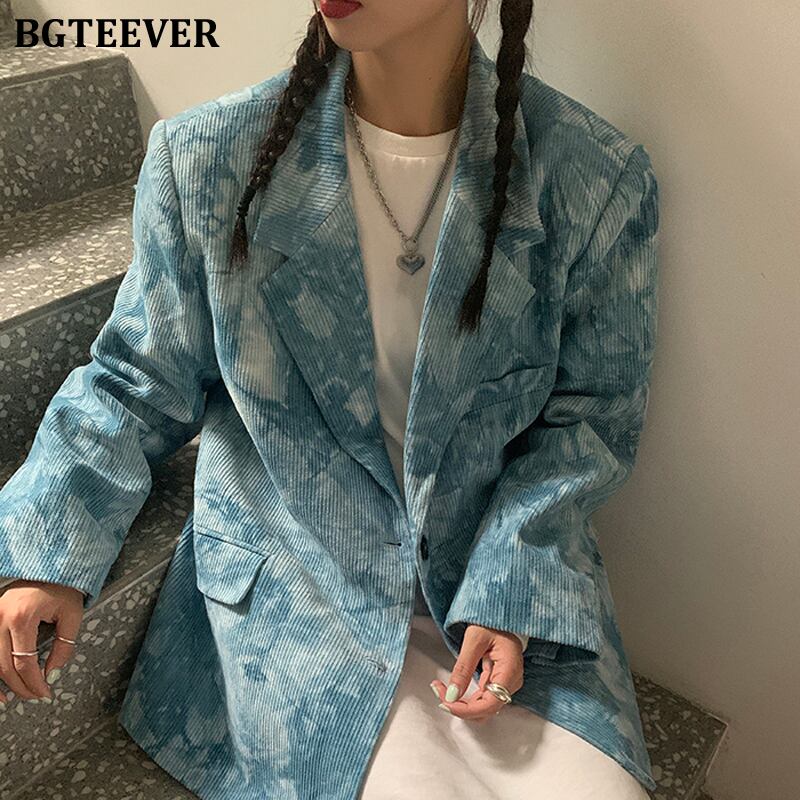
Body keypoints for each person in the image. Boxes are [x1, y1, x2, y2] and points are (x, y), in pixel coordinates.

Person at [0, 1, 660, 798]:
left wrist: (512, 586)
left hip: (497, 589)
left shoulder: (592, 179)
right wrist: (49, 549)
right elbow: (137, 378)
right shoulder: (209, 158)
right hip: (299, 596)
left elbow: (587, 423)